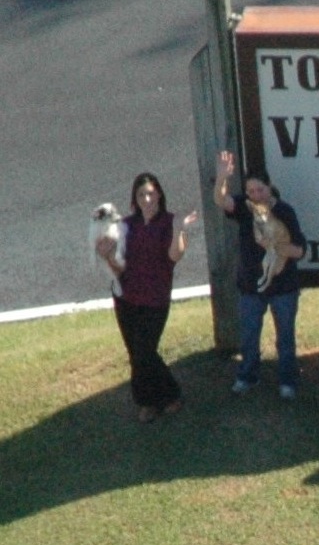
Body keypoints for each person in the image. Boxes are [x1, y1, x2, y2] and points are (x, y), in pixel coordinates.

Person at [95, 172, 198, 423]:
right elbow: (119, 267)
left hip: (154, 299)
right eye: (141, 194)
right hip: (126, 298)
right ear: (135, 198)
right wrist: (108, 256)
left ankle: (171, 394)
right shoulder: (126, 226)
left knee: (145, 351)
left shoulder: (169, 222)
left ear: (159, 194)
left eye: (151, 193)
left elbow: (174, 257)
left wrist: (178, 231)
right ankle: (147, 402)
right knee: (136, 354)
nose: (147, 199)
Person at [213, 150, 306, 400]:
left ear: (269, 187)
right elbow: (221, 201)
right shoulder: (245, 208)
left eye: (260, 190)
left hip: (283, 287)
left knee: (285, 339)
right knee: (249, 337)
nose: (256, 195)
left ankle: (287, 380)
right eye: (251, 191)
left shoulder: (285, 212)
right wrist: (222, 177)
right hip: (251, 287)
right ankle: (247, 376)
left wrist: (273, 245)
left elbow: (299, 250)